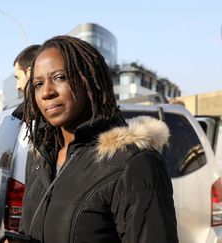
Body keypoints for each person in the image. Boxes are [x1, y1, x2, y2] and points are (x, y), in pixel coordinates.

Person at [15, 35, 178, 242]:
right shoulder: (40, 158)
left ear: (89, 81)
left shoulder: (134, 162)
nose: (46, 92)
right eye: (38, 84)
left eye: (59, 77)